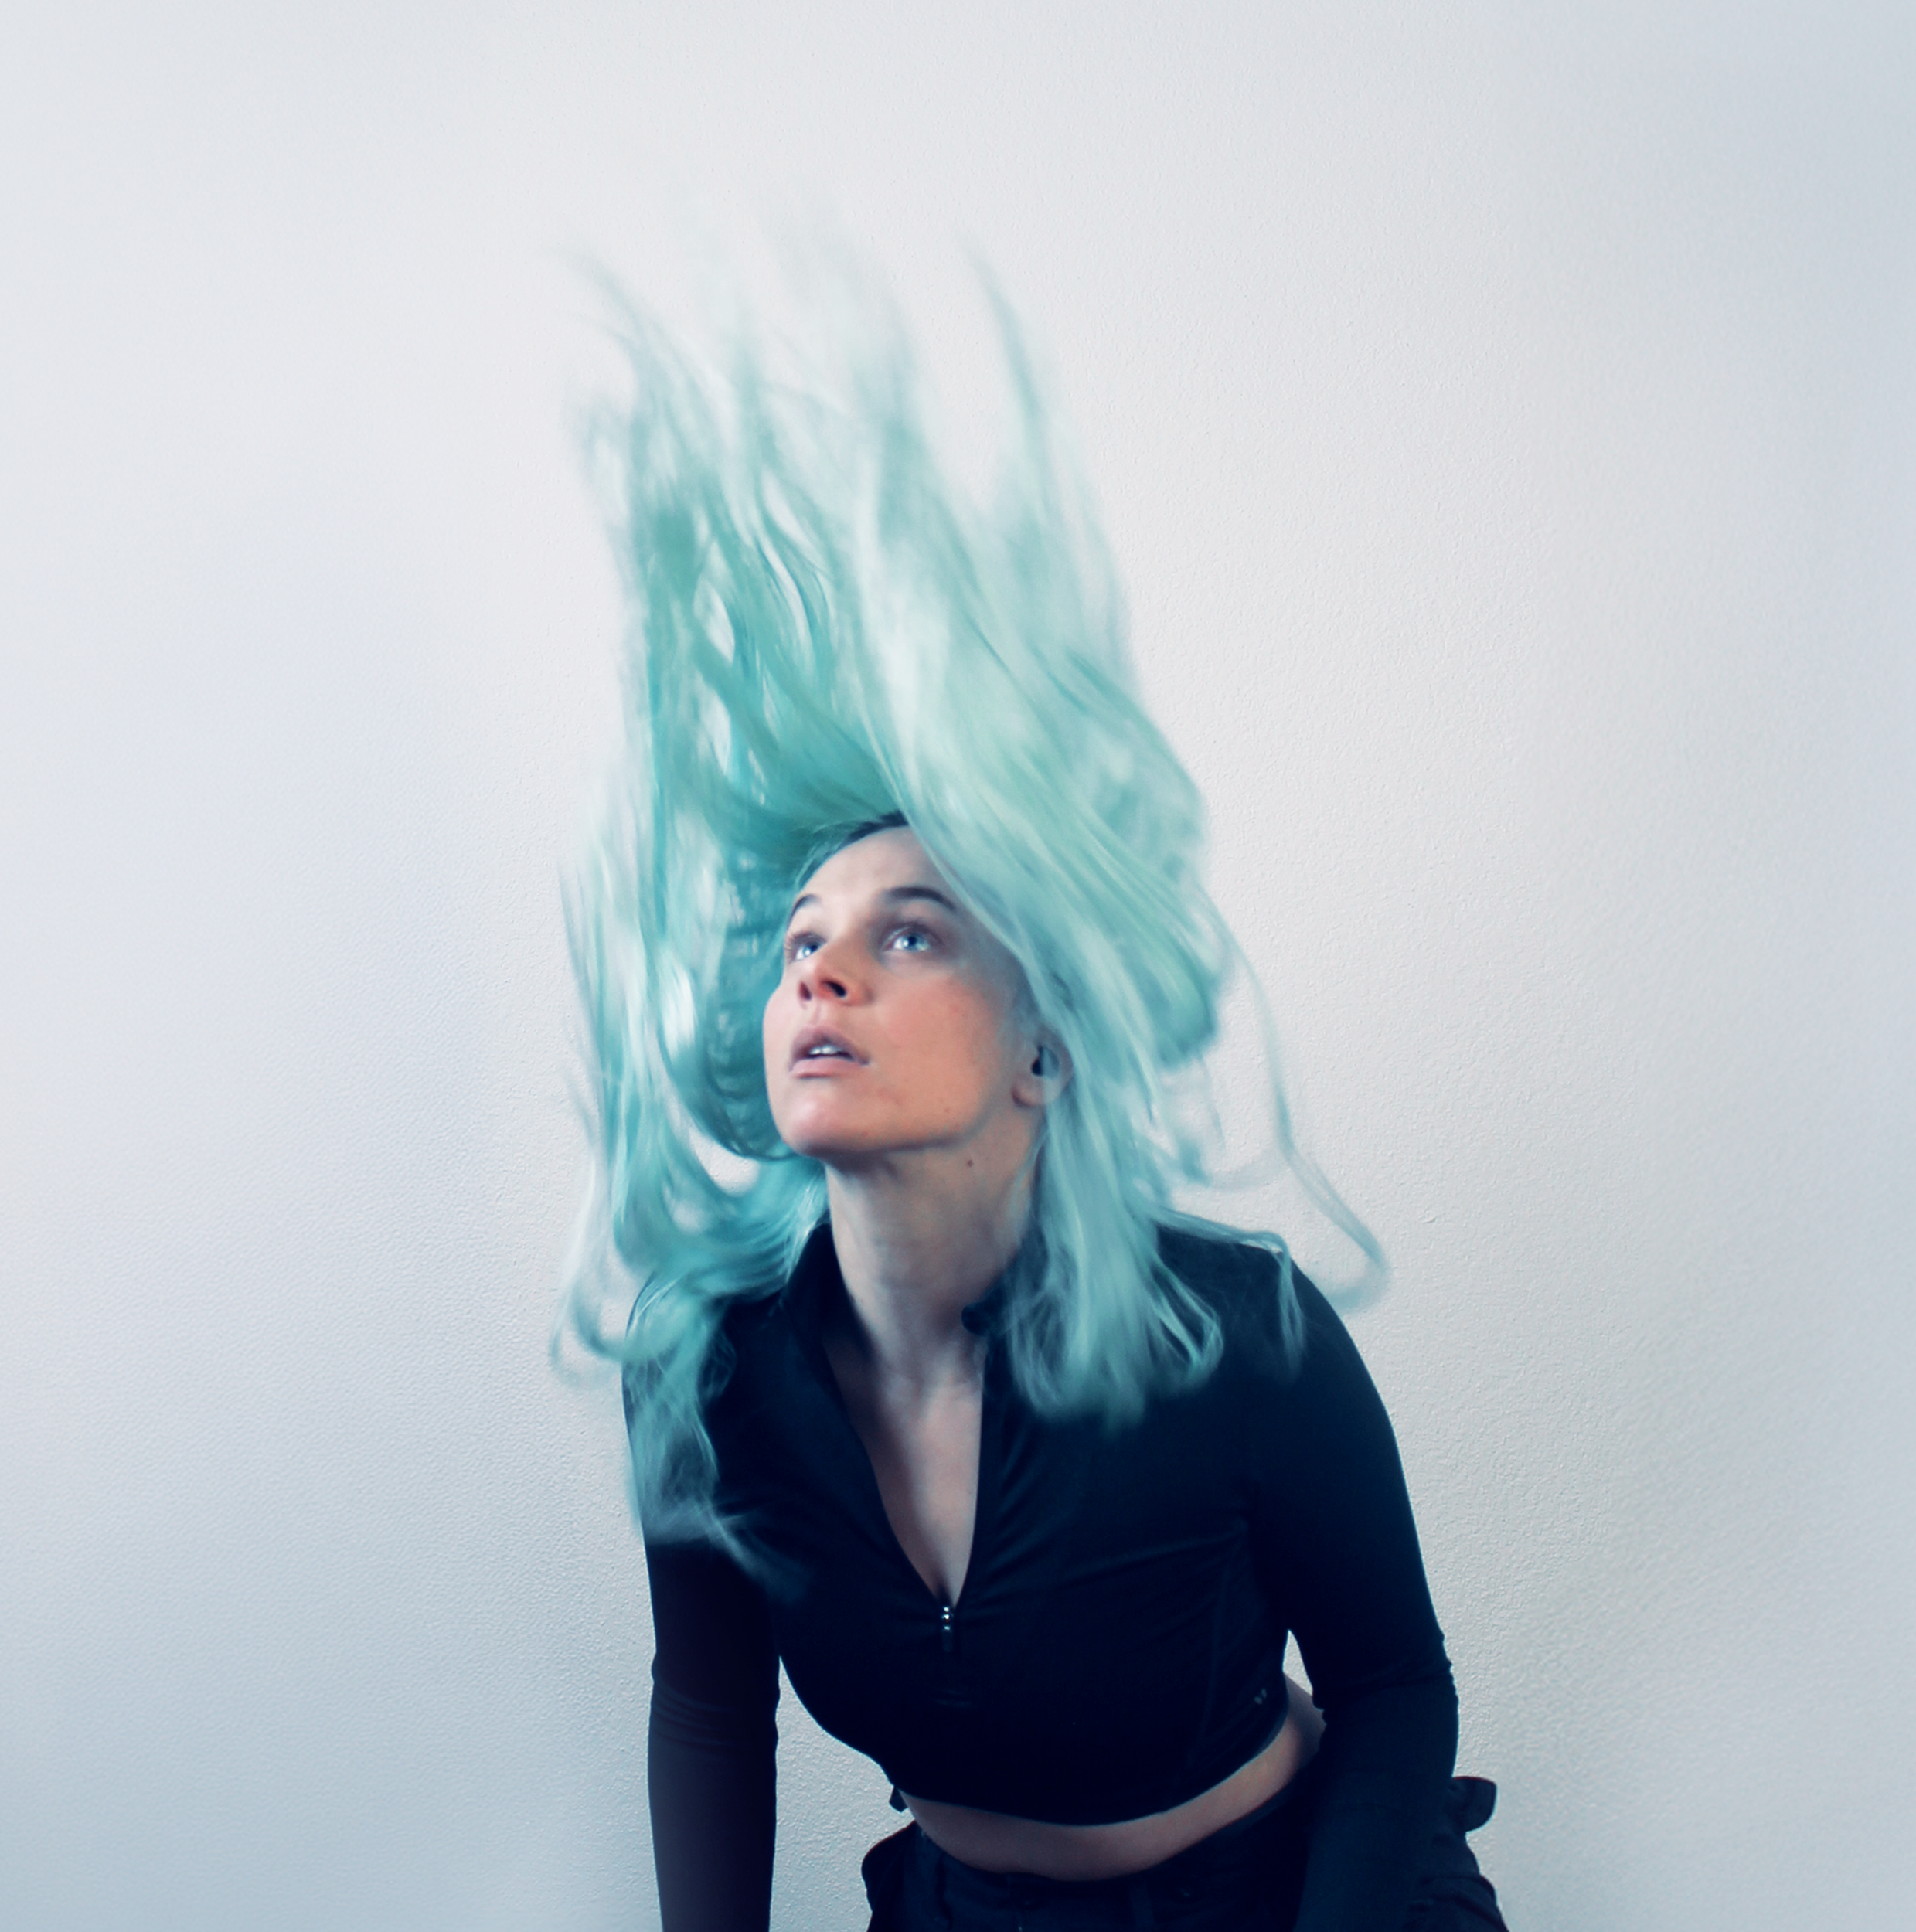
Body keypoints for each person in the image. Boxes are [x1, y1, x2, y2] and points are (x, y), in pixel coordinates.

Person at [564, 287, 1507, 1930]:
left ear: (1043, 1049)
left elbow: (1392, 1687)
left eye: (909, 934)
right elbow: (710, 1708)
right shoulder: (698, 1363)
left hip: (1300, 1893)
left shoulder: (1237, 1330)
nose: (822, 971)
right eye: (801, 945)